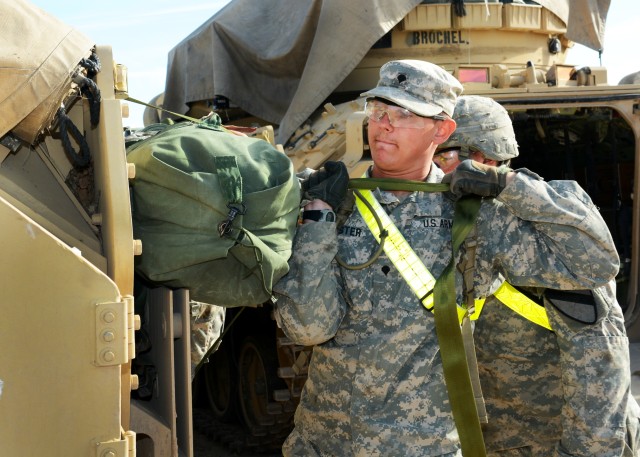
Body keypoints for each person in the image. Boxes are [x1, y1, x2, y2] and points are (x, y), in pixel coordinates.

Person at [273, 59, 620, 456]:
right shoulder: (336, 202)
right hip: (321, 443)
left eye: (404, 114)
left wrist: (510, 186)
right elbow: (307, 329)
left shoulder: (475, 216)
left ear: (442, 129)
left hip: (421, 447)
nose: (383, 124)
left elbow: (594, 264)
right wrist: (317, 217)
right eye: (378, 110)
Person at [437, 94, 640, 456]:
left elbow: (599, 365)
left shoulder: (547, 227)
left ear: (482, 158)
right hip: (493, 440)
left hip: (561, 441)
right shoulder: (451, 224)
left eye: (443, 154)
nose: (433, 166)